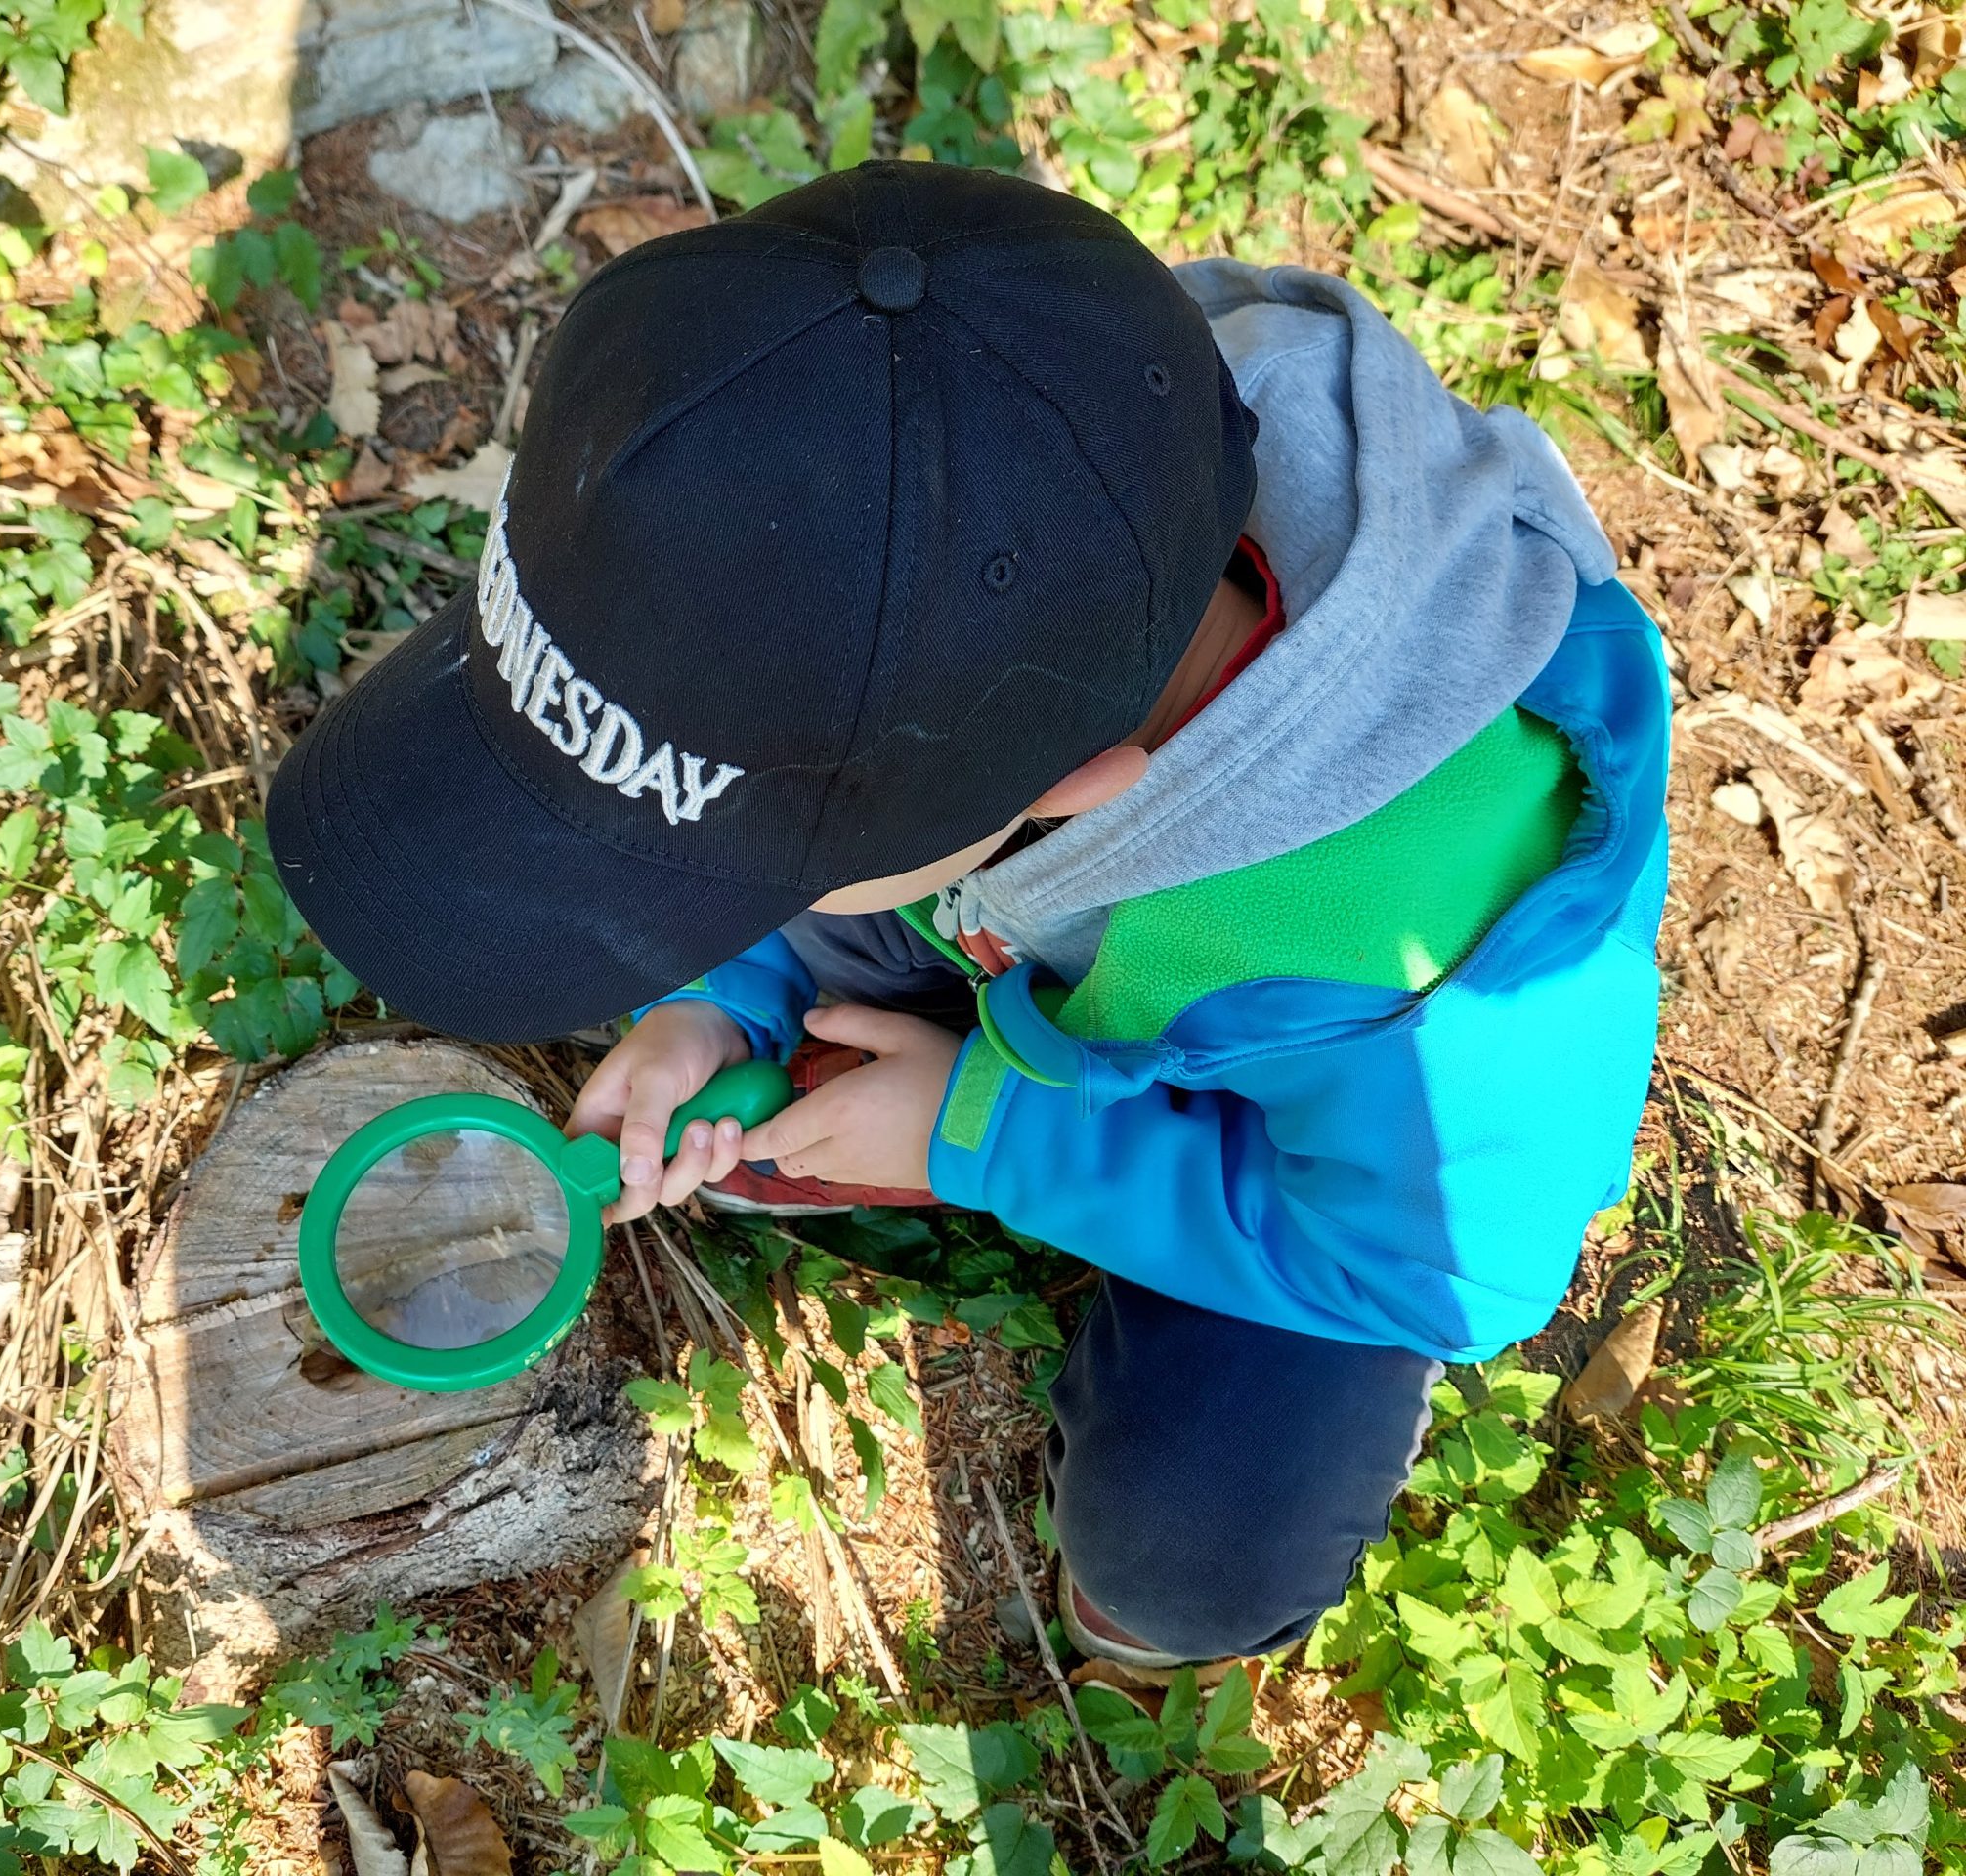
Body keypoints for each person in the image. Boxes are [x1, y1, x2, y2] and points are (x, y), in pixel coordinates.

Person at [266, 160, 1668, 1679]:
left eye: (753, 861)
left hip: (1312, 1132)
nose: (702, 904)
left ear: (1062, 789)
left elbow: (1443, 1272)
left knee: (1189, 1557)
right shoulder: (1054, 422)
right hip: (1040, 889)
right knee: (822, 944)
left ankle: (1161, 1517)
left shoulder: (1439, 979)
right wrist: (713, 997)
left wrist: (981, 1131)